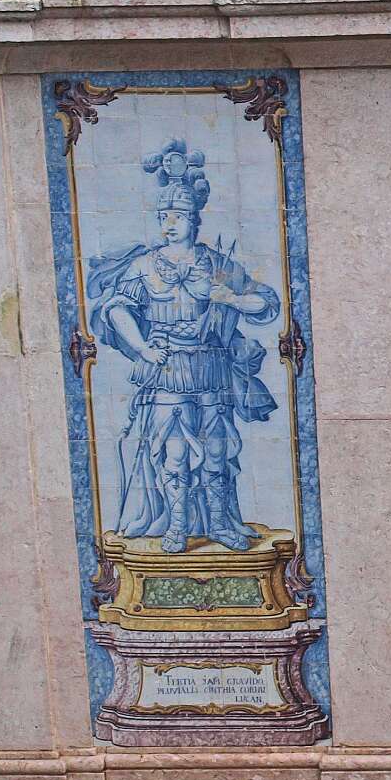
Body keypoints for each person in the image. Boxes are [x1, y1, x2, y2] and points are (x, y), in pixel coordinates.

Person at [87, 140, 281, 552]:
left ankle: (220, 526)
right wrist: (142, 348)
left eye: (177, 216)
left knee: (216, 454)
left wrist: (229, 298)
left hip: (211, 370)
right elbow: (115, 309)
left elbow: (266, 303)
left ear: (195, 219)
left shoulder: (218, 264)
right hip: (167, 371)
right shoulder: (144, 265)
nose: (169, 223)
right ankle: (176, 527)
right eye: (164, 216)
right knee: (173, 455)